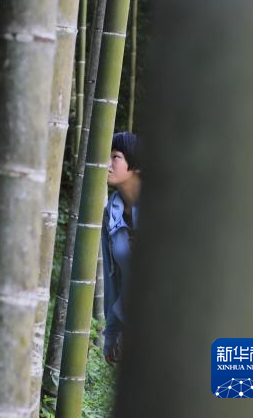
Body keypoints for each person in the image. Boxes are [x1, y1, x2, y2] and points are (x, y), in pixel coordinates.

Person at [102, 130, 141, 365]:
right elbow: (113, 280)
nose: (107, 164)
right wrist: (111, 335)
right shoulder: (111, 213)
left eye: (115, 157)